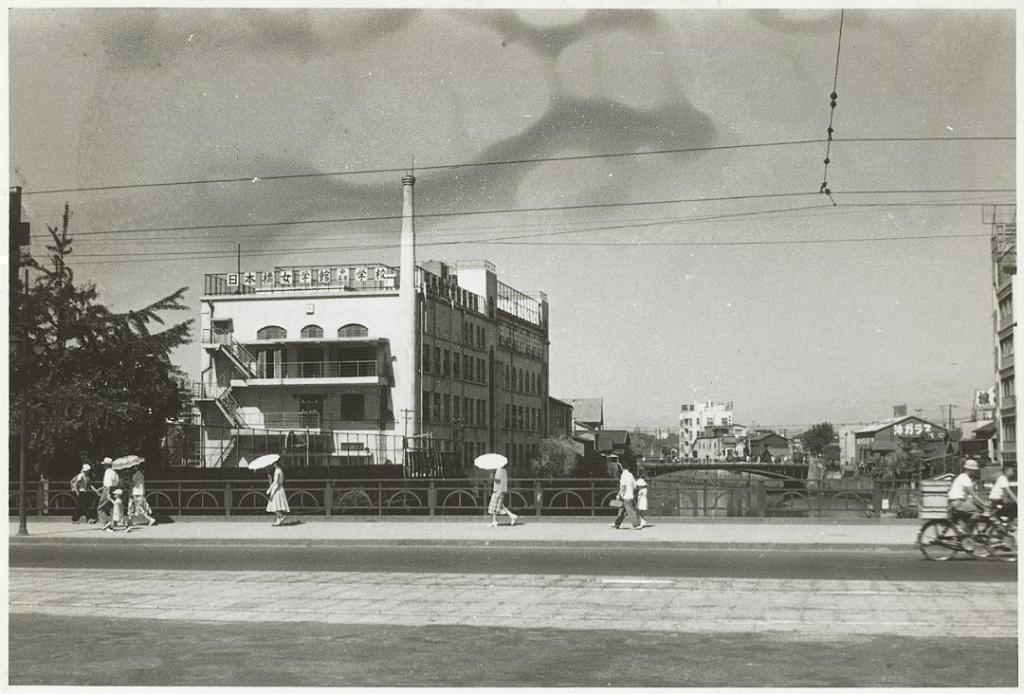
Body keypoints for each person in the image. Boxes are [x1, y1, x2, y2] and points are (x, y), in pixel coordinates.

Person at [948, 458, 986, 537]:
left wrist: (977, 503)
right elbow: (973, 494)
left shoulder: (962, 476)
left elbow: (968, 496)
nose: (975, 472)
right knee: (978, 512)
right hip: (958, 503)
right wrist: (984, 503)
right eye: (974, 470)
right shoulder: (965, 478)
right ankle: (966, 533)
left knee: (971, 513)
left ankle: (966, 533)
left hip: (957, 502)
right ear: (969, 470)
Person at [611, 462, 641, 530]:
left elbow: (623, 486)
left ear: (622, 468)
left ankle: (636, 524)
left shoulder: (623, 475)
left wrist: (619, 494)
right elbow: (635, 485)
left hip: (625, 496)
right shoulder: (630, 475)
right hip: (630, 495)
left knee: (630, 511)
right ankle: (617, 523)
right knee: (622, 511)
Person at [96, 457, 118, 527]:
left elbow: (108, 484)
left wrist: (107, 493)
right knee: (112, 507)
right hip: (114, 490)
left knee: (100, 508)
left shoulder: (107, 472)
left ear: (106, 465)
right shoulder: (114, 472)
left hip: (107, 490)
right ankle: (113, 522)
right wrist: (101, 488)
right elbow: (115, 482)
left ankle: (106, 522)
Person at [265, 462, 290, 526]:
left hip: (276, 489)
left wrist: (269, 489)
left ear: (276, 464)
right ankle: (278, 520)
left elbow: (276, 481)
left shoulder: (277, 471)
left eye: (274, 463)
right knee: (276, 505)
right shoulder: (280, 470)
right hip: (280, 488)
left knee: (273, 504)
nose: (273, 464)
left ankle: (281, 516)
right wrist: (270, 479)